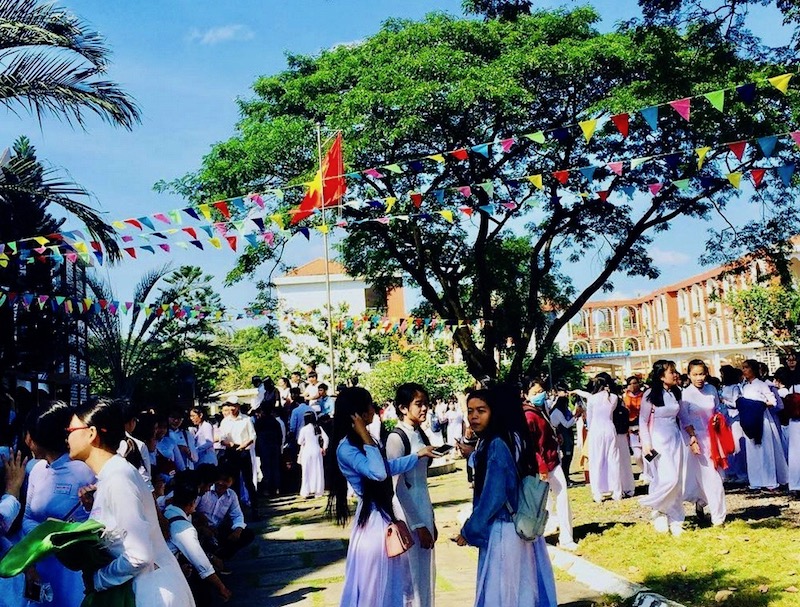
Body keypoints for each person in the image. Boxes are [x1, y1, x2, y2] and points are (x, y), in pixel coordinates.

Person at [66, 399, 195, 606]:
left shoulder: (118, 477)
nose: (67, 436)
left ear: (91, 433)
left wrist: (97, 579)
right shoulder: (114, 473)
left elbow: (139, 554)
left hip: (150, 594)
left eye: (71, 429)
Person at [328, 387, 436, 607]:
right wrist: (365, 436)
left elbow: (387, 467)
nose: (373, 410)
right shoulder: (347, 448)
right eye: (369, 405)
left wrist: (416, 456)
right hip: (372, 522)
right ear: (357, 413)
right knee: (374, 586)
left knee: (393, 585)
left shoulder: (365, 443)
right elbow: (378, 472)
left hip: (383, 517)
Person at [454, 387, 557, 607]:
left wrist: (469, 530)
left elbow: (494, 495)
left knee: (503, 595)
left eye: (481, 410)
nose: (474, 416)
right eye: (470, 411)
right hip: (517, 527)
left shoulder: (497, 444)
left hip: (503, 531)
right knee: (522, 592)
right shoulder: (510, 438)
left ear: (495, 412)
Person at [23, 401, 96, 607]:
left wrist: (56, 535)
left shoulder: (84, 471)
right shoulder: (35, 470)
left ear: (34, 437)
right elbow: (28, 517)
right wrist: (41, 539)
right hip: (38, 565)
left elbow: (94, 522)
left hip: (73, 570)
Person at [386, 383, 437, 607]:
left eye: (426, 403)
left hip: (423, 505)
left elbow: (422, 483)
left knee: (425, 573)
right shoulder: (396, 438)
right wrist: (417, 524)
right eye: (419, 404)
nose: (424, 408)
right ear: (403, 408)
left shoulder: (419, 434)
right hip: (408, 512)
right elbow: (397, 486)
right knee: (411, 576)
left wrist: (430, 519)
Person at [524, 382, 577, 551]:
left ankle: (564, 535)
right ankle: (557, 536)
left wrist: (556, 437)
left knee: (558, 498)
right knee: (551, 499)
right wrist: (541, 466)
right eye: (535, 392)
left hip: (552, 460)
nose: (540, 394)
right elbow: (531, 445)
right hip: (544, 465)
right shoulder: (529, 416)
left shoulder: (540, 410)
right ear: (526, 395)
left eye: (541, 391)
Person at [164, 479, 232, 606]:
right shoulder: (183, 527)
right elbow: (202, 564)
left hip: (170, 565)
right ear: (192, 503)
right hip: (166, 573)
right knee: (202, 588)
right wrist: (221, 587)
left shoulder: (167, 512)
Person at [639, 360, 687, 536]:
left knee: (677, 480)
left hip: (675, 438)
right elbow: (643, 421)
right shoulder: (650, 394)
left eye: (675, 371)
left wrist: (692, 437)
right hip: (657, 440)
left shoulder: (676, 392)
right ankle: (658, 508)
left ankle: (676, 517)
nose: (675, 375)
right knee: (668, 478)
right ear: (661, 376)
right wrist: (646, 443)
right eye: (671, 372)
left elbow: (683, 416)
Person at [679, 360, 727, 526]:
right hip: (697, 440)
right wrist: (692, 439)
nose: (699, 378)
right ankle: (718, 518)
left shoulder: (711, 389)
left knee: (718, 476)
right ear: (689, 375)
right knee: (710, 477)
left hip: (714, 438)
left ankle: (701, 502)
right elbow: (684, 419)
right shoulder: (685, 394)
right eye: (695, 374)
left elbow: (719, 410)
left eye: (702, 374)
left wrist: (718, 419)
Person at [740, 359, 789, 490]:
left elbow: (773, 401)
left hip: (762, 419)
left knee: (765, 450)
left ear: (753, 369)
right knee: (753, 450)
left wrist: (758, 405)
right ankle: (756, 480)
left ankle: (769, 480)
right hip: (750, 420)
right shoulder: (745, 386)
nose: (744, 370)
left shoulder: (762, 385)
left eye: (746, 367)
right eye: (743, 368)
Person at [586, 376, 634, 503]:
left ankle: (597, 492)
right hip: (610, 428)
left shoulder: (592, 399)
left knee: (596, 460)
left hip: (596, 430)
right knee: (614, 459)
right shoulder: (613, 398)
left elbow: (589, 420)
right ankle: (617, 491)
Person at [195, 466, 256, 564]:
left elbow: (237, 515)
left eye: (226, 481)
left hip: (217, 529)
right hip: (201, 528)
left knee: (247, 534)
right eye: (221, 480)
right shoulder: (205, 490)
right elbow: (192, 509)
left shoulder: (231, 495)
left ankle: (221, 556)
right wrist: (202, 524)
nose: (222, 483)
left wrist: (238, 530)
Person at [218, 396, 259, 518]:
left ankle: (254, 509)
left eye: (234, 406)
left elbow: (252, 436)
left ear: (238, 407)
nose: (232, 408)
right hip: (231, 452)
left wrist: (244, 445)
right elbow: (222, 439)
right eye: (230, 406)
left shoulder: (246, 419)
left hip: (243, 452)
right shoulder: (225, 421)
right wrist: (229, 444)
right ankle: (236, 511)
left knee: (248, 481)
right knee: (233, 482)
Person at [254, 403, 284, 497]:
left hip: (264, 448)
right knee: (275, 468)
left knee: (266, 468)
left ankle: (266, 489)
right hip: (274, 447)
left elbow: (255, 437)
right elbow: (280, 436)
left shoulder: (259, 422)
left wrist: (257, 449)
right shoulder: (275, 422)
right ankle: (276, 488)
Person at [297, 412, 328, 498]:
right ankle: (318, 491)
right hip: (317, 450)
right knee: (317, 470)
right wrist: (324, 448)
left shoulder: (304, 429)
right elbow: (326, 438)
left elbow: (299, 441)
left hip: (307, 451)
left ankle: (306, 491)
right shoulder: (318, 428)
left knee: (306, 471)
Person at [623, 376, 647, 482]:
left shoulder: (644, 396)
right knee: (637, 455)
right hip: (631, 429)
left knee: (646, 453)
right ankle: (643, 470)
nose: (633, 386)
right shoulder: (624, 397)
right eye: (631, 384)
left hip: (643, 426)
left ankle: (649, 472)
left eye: (635, 383)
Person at [549, 396, 576, 486]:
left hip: (562, 432)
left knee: (568, 456)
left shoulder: (560, 410)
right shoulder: (558, 412)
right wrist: (575, 417)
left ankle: (566, 476)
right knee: (566, 456)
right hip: (560, 432)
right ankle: (565, 477)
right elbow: (566, 424)